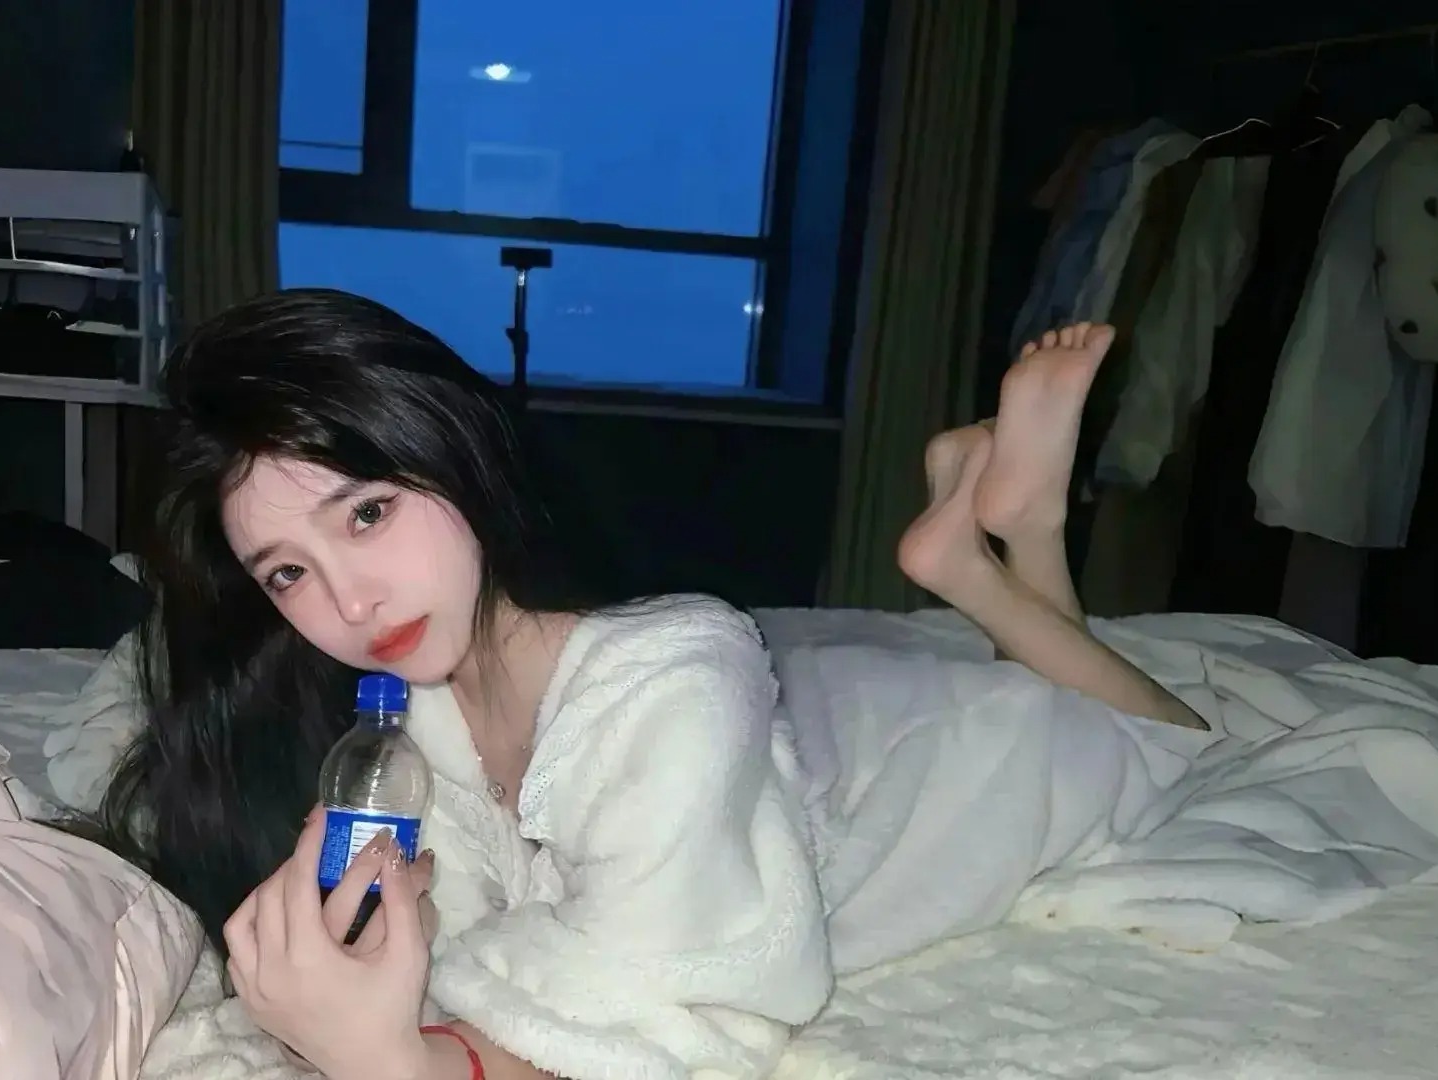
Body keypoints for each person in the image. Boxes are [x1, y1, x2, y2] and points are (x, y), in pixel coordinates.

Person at [97, 289, 1211, 1080]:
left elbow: (677, 1009)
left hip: (947, 774)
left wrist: (396, 1064)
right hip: (811, 735)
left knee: (1171, 742)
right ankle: (984, 549)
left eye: (369, 513)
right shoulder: (414, 722)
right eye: (288, 573)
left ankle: (1011, 541)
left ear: (453, 452)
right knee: (1078, 700)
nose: (349, 603)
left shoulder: (667, 676)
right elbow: (518, 983)